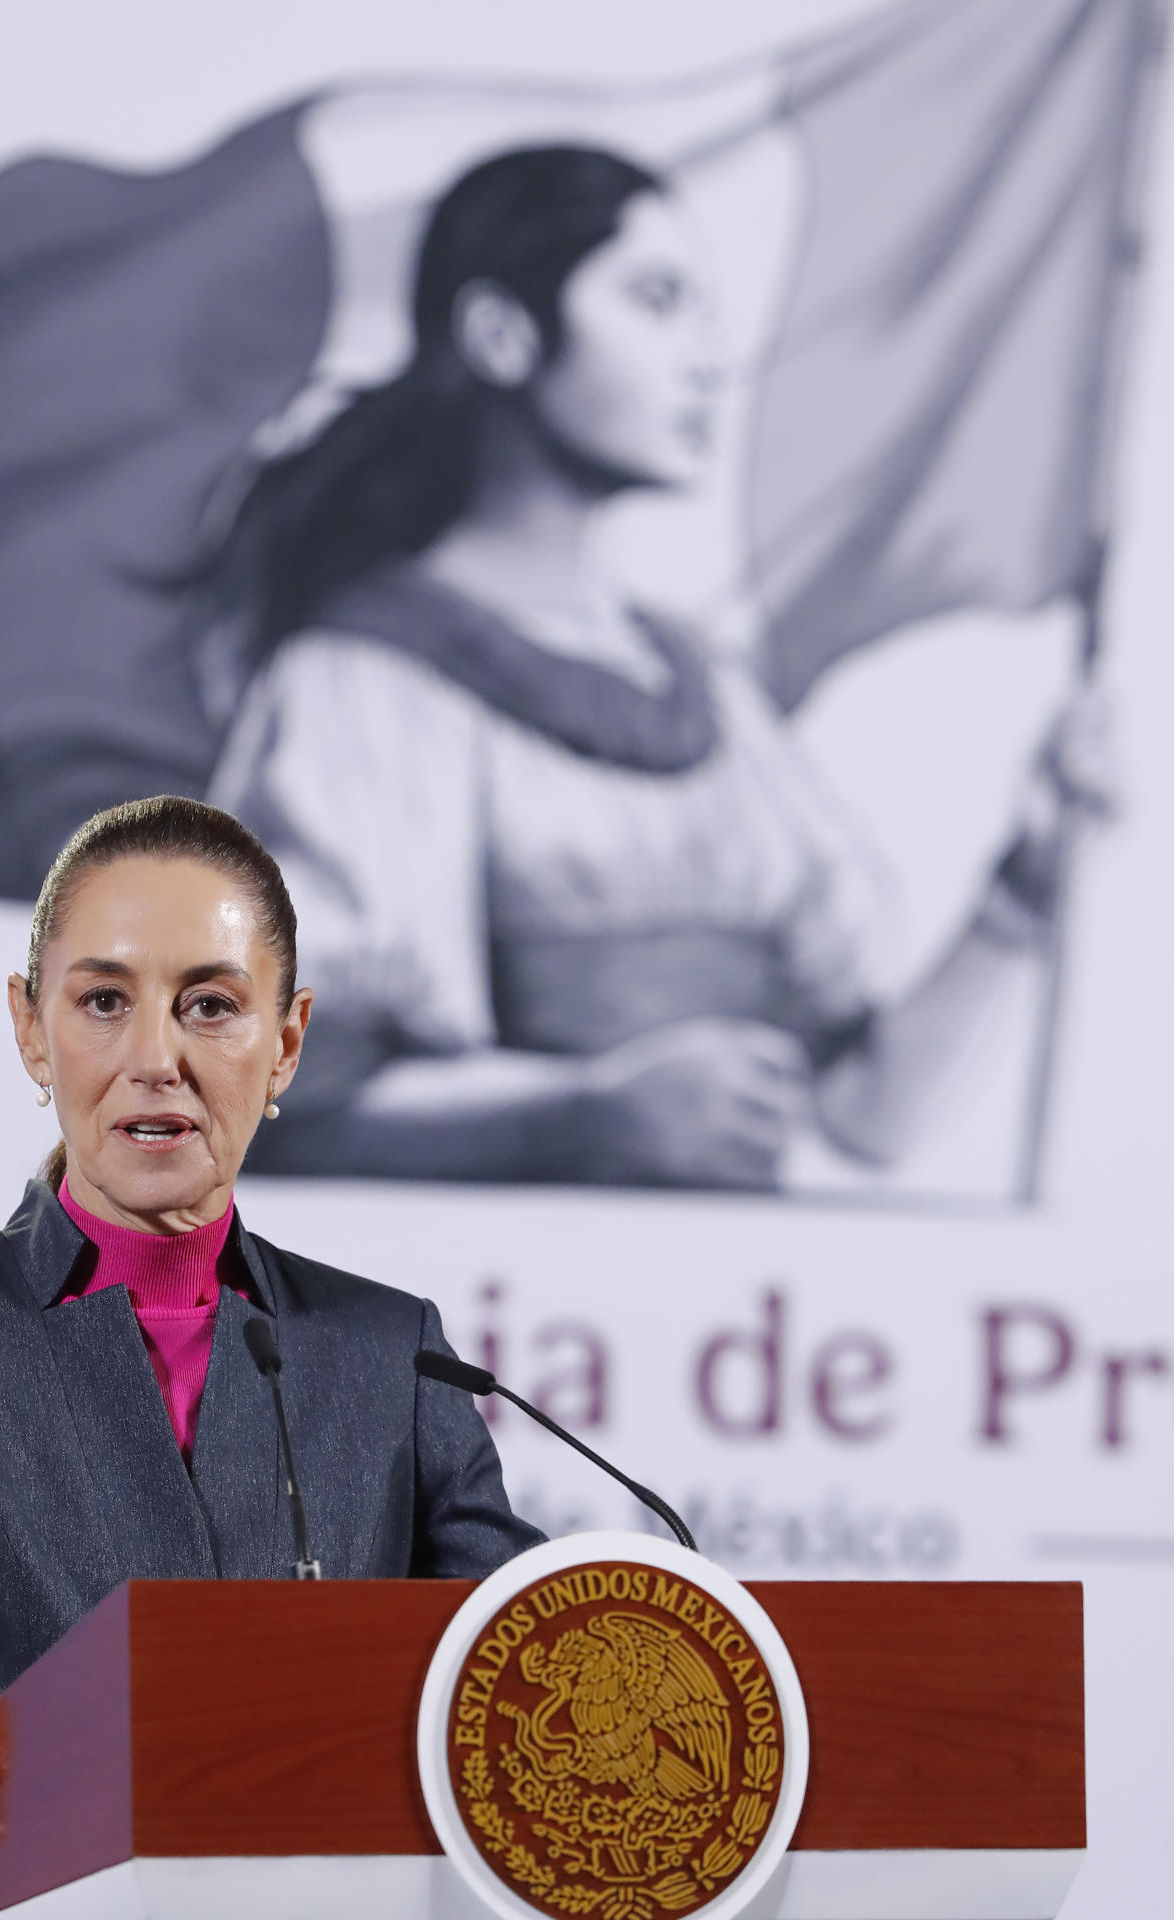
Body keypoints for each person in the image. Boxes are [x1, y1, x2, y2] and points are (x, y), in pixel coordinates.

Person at [205, 144, 1111, 1189]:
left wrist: (1021, 894)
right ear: (501, 334)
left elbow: (864, 1118)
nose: (704, 358)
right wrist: (574, 1118)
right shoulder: (360, 684)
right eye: (655, 299)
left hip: (729, 1330)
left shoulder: (707, 691)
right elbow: (276, 1099)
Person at [0, 796, 541, 1861]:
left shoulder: (390, 1353)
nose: (154, 1058)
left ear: (287, 1043)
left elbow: (526, 1667)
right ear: (31, 1030)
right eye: (101, 1002)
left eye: (210, 1006)